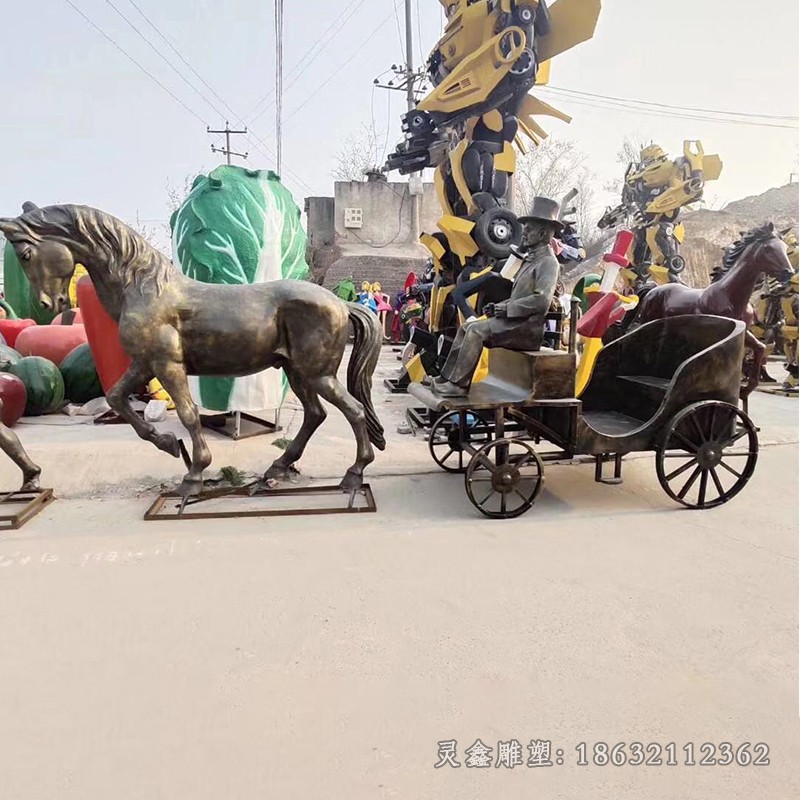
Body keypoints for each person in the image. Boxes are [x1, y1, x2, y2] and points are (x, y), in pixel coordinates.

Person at [431, 196, 563, 397]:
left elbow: (541, 300)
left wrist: (507, 309)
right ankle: (448, 377)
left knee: (476, 331)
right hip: (514, 321)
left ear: (543, 233)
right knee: (467, 327)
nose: (524, 233)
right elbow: (521, 295)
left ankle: (459, 385)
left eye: (529, 229)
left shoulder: (548, 263)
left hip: (526, 329)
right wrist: (499, 306)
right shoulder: (530, 260)